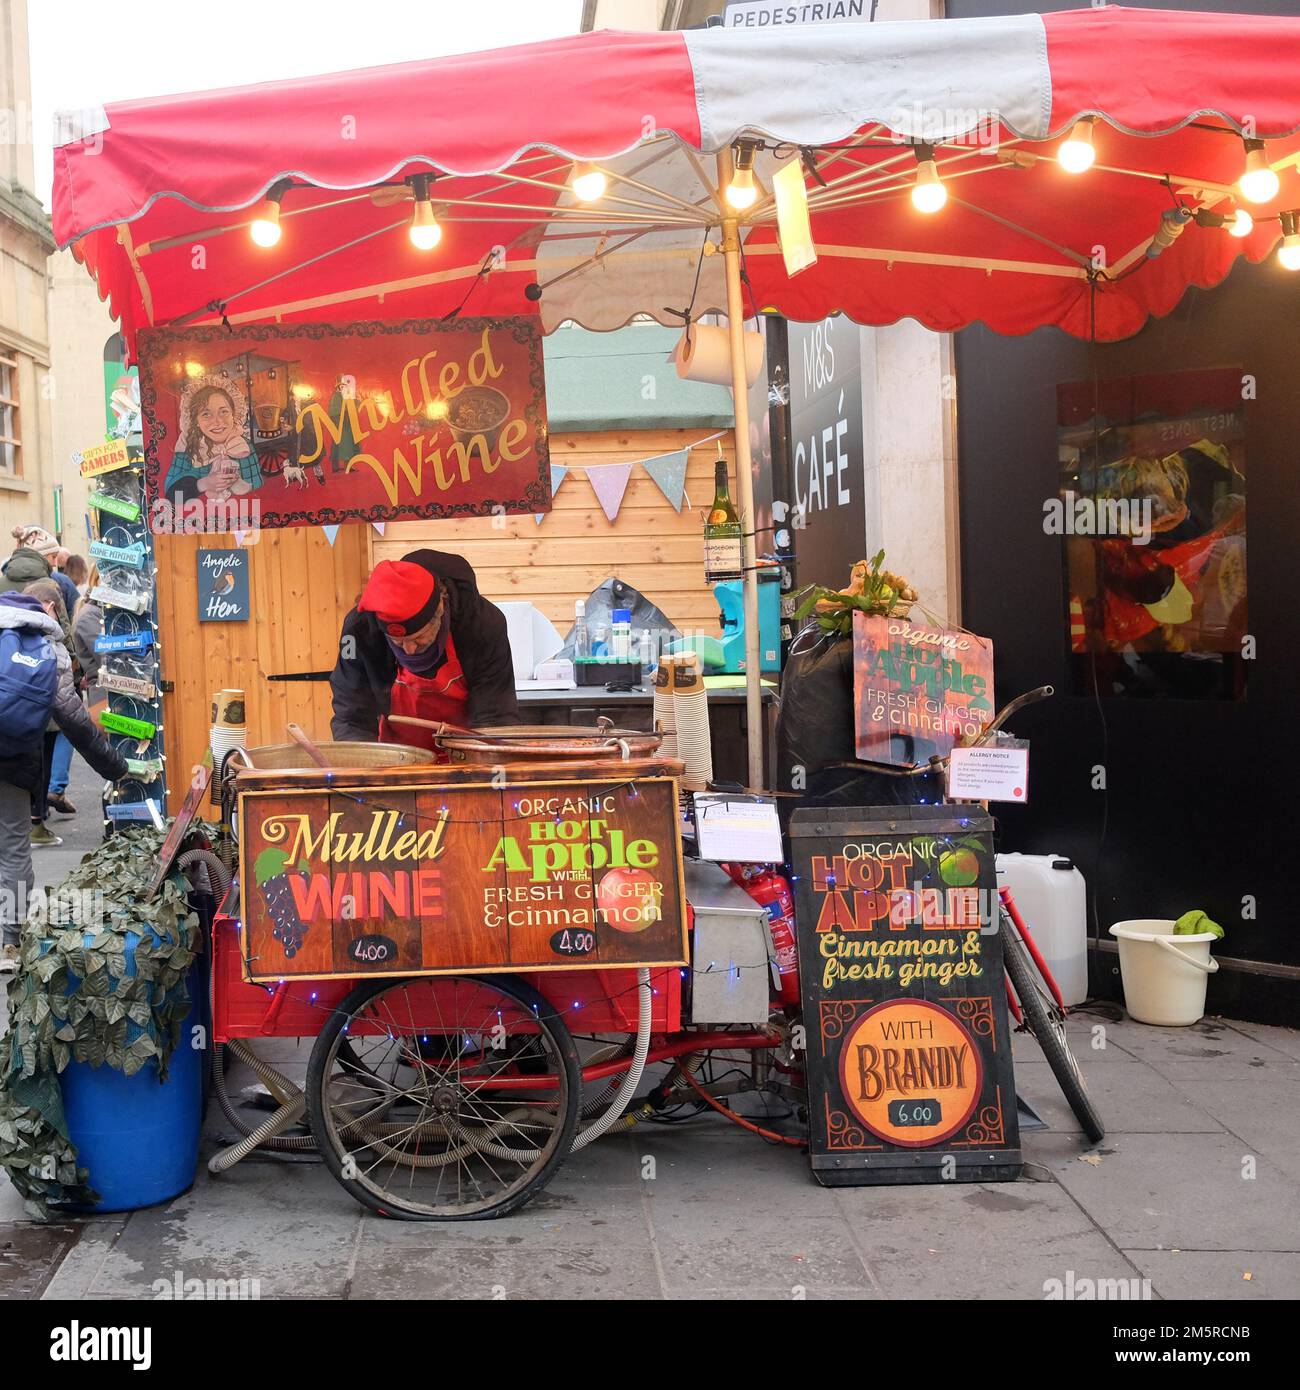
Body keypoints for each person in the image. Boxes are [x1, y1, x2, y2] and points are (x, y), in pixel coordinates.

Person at [0, 589, 128, 970]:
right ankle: (10, 941)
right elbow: (74, 721)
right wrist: (115, 768)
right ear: (50, 609)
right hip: (13, 761)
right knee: (14, 850)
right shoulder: (46, 648)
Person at [331, 550, 519, 747]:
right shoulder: (358, 631)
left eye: (419, 637)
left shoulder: (483, 625)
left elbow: (495, 719)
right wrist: (365, 767)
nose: (409, 649)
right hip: (396, 757)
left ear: (440, 610)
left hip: (468, 752)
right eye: (397, 642)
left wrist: (481, 768)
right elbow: (351, 716)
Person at [0, 525, 79, 617]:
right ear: (41, 556)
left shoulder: (1, 584)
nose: (55, 563)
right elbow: (64, 625)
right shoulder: (52, 584)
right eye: (53, 557)